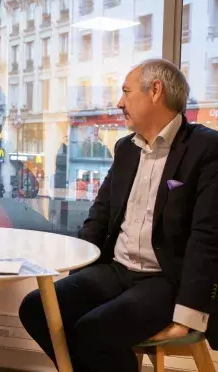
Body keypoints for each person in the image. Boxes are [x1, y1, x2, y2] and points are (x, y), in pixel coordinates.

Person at [19, 59, 218, 371]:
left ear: (155, 91)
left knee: (93, 331)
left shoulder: (206, 147)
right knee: (36, 308)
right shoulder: (126, 148)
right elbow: (100, 216)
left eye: (126, 92)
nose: (119, 102)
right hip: (116, 269)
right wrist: (79, 274)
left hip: (166, 280)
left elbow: (207, 236)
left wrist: (188, 314)